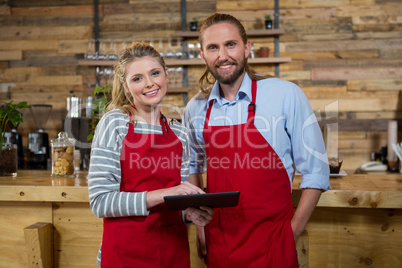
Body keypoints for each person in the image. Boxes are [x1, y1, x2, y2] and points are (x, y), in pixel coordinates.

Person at [183, 13, 331, 267]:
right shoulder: (195, 108)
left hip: (273, 241)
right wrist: (200, 227)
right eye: (213, 48)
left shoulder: (286, 95)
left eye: (231, 44)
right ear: (202, 55)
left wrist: (292, 232)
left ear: (247, 48)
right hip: (220, 242)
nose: (223, 55)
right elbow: (192, 168)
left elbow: (316, 172)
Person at [88, 42, 214, 268]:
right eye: (137, 78)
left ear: (166, 75)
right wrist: (165, 194)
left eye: (154, 73)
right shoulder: (114, 123)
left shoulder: (180, 133)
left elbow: (178, 203)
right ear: (127, 87)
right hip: (125, 254)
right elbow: (100, 202)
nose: (149, 83)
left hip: (172, 254)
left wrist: (190, 215)